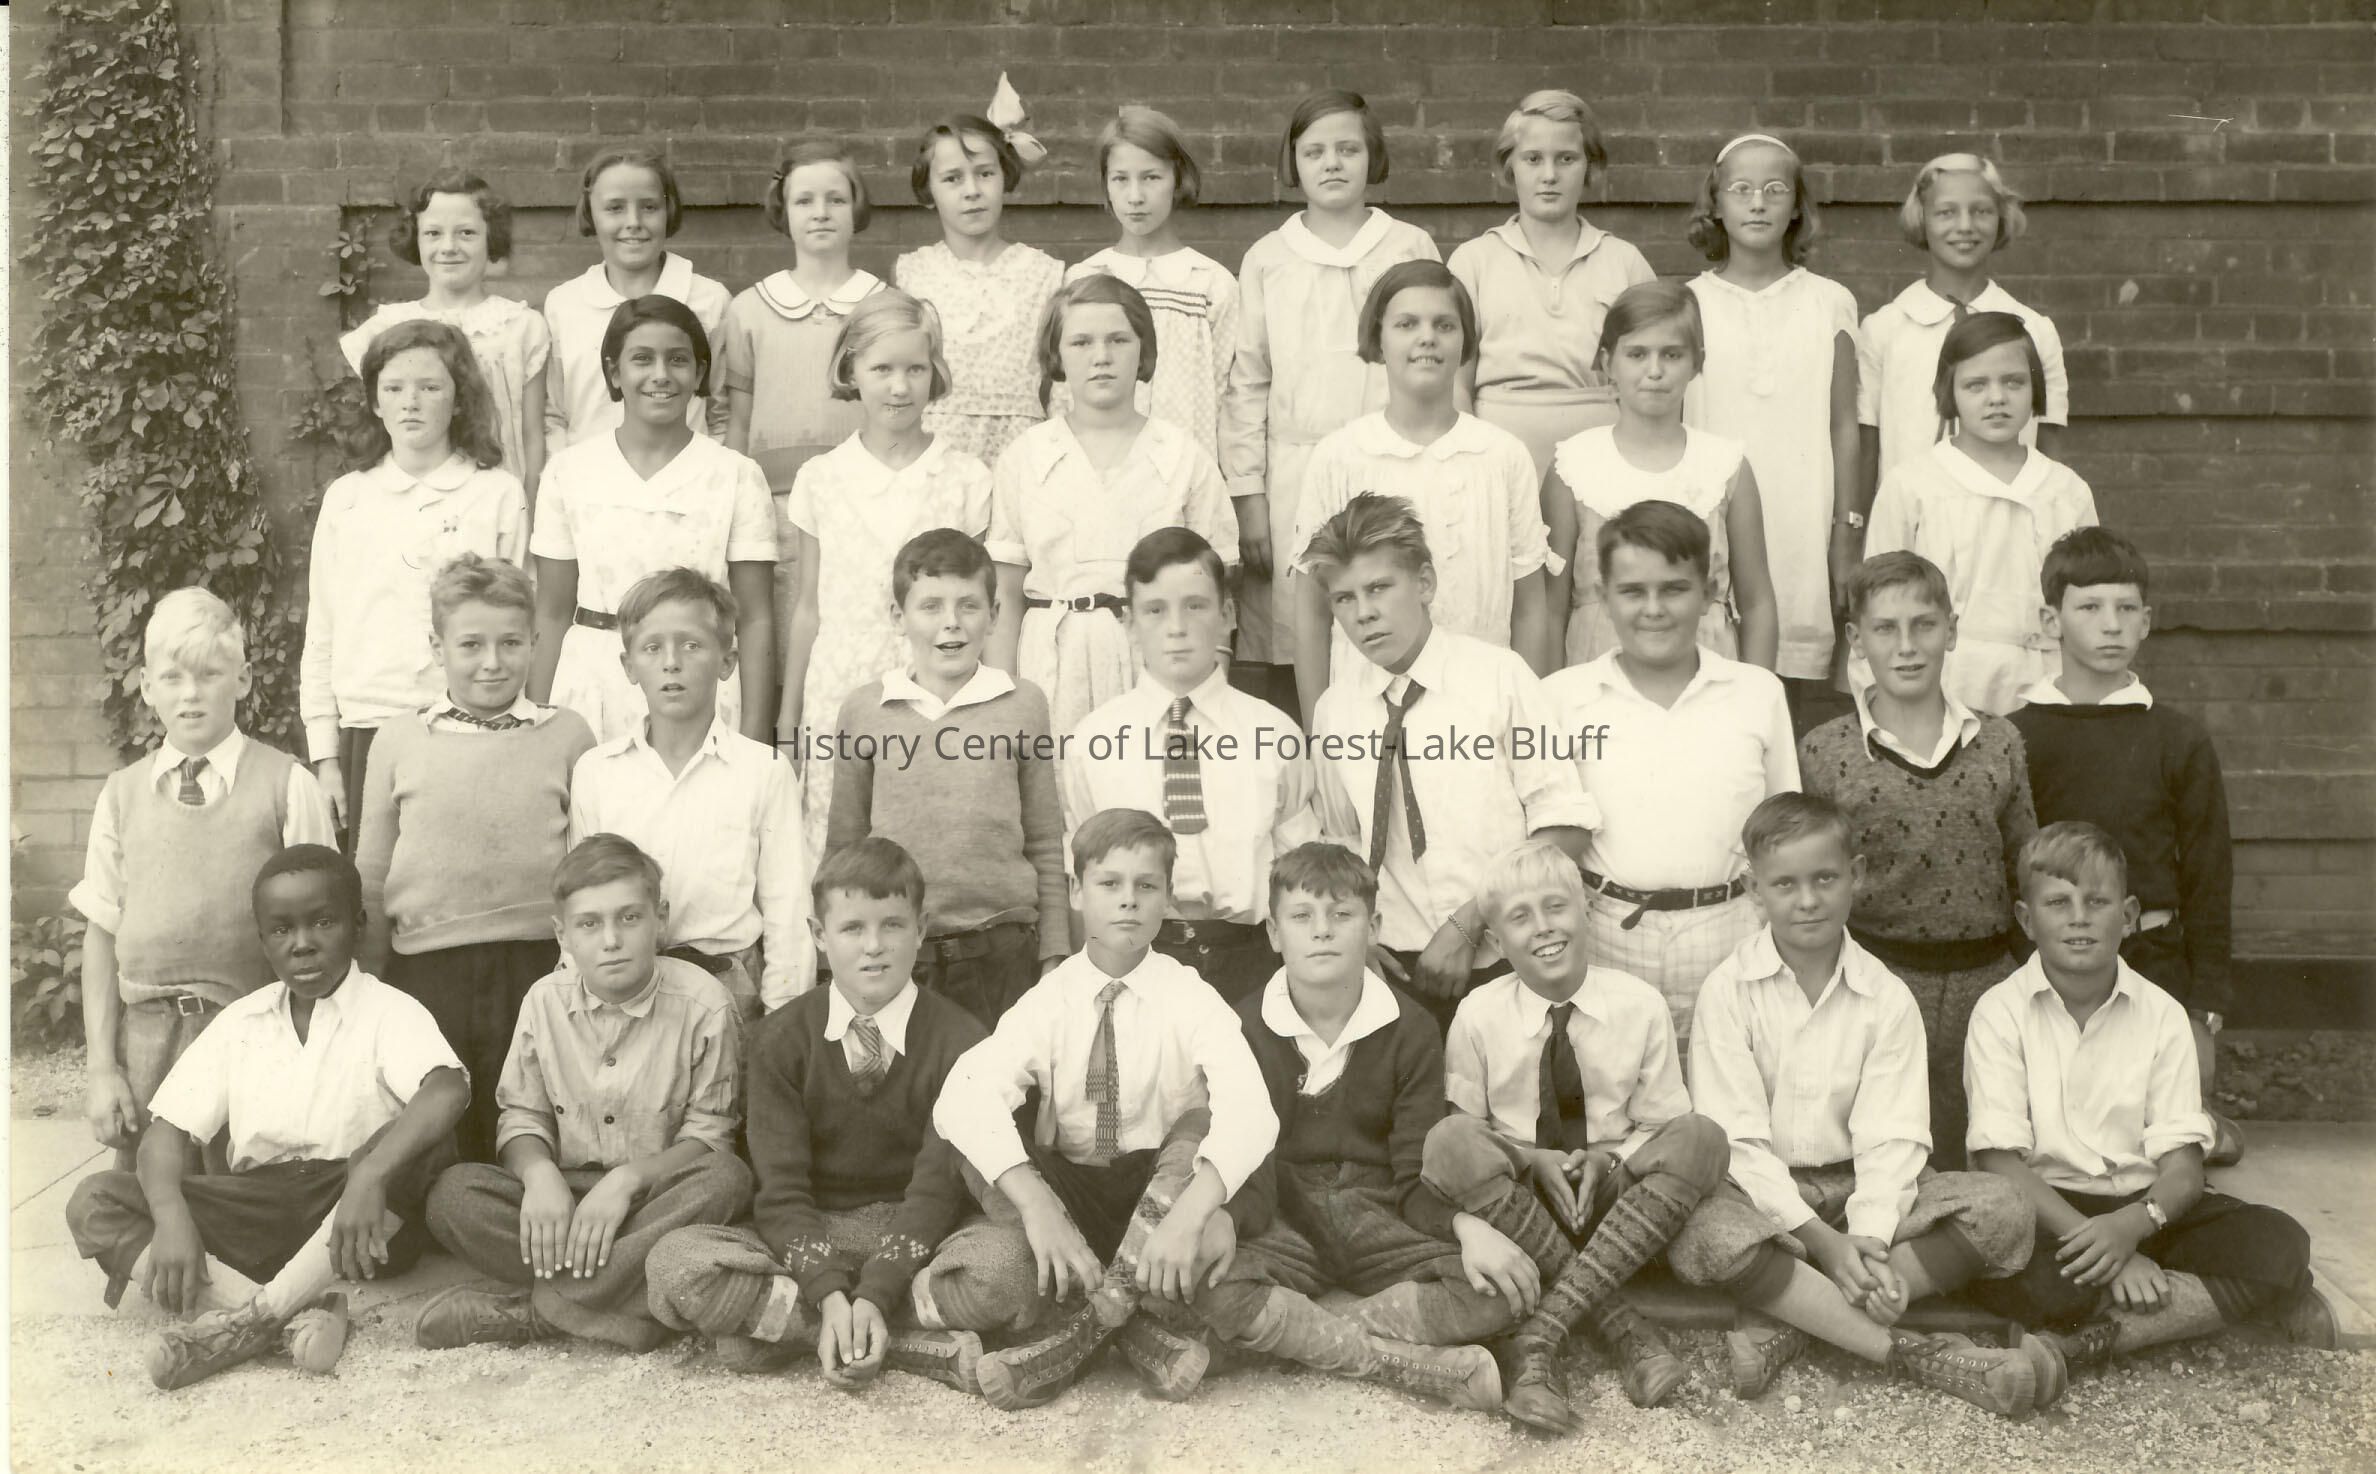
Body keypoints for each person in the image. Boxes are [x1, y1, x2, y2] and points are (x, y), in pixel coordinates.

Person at [1666, 793, 2054, 1418]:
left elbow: (1893, 1138)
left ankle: (1803, 1317)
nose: (1808, 899)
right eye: (1785, 884)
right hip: (1765, 1202)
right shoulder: (1728, 991)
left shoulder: (1886, 996)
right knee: (1700, 1229)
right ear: (1754, 890)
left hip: (1863, 1192)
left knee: (2004, 1207)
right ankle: (1912, 1352)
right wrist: (1824, 1243)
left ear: (1858, 875)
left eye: (1825, 878)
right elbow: (1737, 1143)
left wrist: (1866, 1240)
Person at [914, 809, 1280, 1410]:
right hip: (1072, 1196)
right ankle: (1131, 1324)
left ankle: (1081, 1332)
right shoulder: (1049, 998)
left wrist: (1191, 1216)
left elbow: (1252, 1110)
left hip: (1160, 1198)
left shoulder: (1192, 997)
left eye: (1146, 885)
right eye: (1110, 883)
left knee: (1201, 1122)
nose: (1128, 900)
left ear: (1167, 896)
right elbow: (965, 1095)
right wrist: (1039, 1208)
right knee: (973, 1141)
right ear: (1078, 891)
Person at [65, 845, 467, 1389]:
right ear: (262, 941)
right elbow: (168, 1131)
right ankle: (286, 1312)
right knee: (95, 1199)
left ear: (358, 926)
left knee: (424, 1141)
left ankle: (242, 1324)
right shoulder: (242, 1021)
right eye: (281, 929)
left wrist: (370, 1175)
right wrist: (171, 1214)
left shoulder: (389, 1010)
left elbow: (447, 1089)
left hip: (357, 1215)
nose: (302, 943)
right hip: (257, 1209)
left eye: (322, 922)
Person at [1964, 823, 2336, 1375]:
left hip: (2147, 1208)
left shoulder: (2163, 1015)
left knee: (2280, 1242)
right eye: (2058, 903)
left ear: (2129, 914)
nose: (2079, 918)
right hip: (2048, 1212)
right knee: (2006, 1274)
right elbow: (1999, 1162)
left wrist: (2131, 1229)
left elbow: (2183, 1168)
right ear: (2025, 918)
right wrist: (2106, 1253)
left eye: (2097, 901)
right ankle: (2193, 1305)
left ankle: (2090, 1336)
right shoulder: (1999, 1013)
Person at [645, 838, 996, 1391]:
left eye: (892, 925)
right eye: (852, 928)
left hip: (919, 1230)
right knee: (676, 1262)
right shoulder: (780, 1039)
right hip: (813, 1227)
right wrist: (829, 1293)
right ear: (818, 935)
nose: (873, 946)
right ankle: (879, 1336)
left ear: (921, 929)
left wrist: (876, 1290)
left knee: (1006, 1267)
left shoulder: (962, 1040)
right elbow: (781, 1189)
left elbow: (936, 1190)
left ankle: (797, 1329)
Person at [1185, 840, 1515, 1412]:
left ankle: (1301, 1330)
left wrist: (1465, 1229)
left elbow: (1415, 1177)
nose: (1322, 931)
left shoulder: (1411, 1028)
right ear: (1273, 933)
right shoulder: (1243, 1026)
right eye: (1302, 916)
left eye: (1342, 914)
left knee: (1498, 1290)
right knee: (1204, 1276)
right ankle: (1399, 1362)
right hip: (1284, 1213)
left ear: (1373, 926)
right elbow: (1249, 1163)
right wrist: (1226, 1219)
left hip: (1378, 1213)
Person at [1420, 841, 1728, 1430]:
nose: (1543, 927)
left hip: (1620, 1208)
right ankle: (1623, 1327)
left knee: (1702, 1137)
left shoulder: (1639, 1004)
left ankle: (1537, 1337)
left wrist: (1610, 1162)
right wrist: (1530, 1159)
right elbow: (1468, 1134)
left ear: (1585, 909)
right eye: (1520, 917)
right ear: (1495, 941)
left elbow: (1660, 1124)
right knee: (1448, 1140)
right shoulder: (1478, 1014)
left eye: (1555, 906)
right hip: (1519, 1207)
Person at [414, 835, 754, 1352]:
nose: (611, 940)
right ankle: (636, 1296)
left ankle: (542, 1313)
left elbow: (711, 1137)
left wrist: (627, 1181)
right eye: (589, 924)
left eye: (629, 918)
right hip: (566, 1204)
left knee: (726, 1181)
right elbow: (521, 1117)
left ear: (660, 918)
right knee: (452, 1196)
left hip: (654, 1201)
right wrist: (539, 1175)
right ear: (563, 935)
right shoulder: (543, 1002)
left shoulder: (705, 1004)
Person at [1303, 493, 1595, 1034]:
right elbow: (1340, 840)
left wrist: (1468, 925)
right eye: (1344, 599)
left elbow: (1564, 825)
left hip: (1505, 954)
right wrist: (1357, 938)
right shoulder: (1335, 709)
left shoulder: (1499, 678)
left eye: (1379, 588)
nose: (1363, 613)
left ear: (1425, 583)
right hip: (1390, 969)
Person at [76, 591, 336, 1172]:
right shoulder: (120, 795)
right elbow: (101, 933)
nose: (190, 694)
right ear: (147, 687)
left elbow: (327, 931)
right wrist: (102, 1070)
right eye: (172, 678)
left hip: (250, 1034)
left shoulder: (286, 785)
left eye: (209, 675)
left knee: (241, 1200)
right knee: (145, 1198)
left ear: (242, 680)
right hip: (146, 1040)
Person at [355, 554, 597, 1161]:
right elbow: (372, 874)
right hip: (425, 968)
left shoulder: (567, 734)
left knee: (528, 1119)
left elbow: (587, 864)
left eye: (510, 643)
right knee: (440, 1129)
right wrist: (369, 981)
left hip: (537, 965)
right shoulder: (399, 739)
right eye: (471, 645)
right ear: (437, 648)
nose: (492, 661)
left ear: (535, 643)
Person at [1801, 553, 2037, 1168]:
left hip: (1987, 983)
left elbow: (2026, 868)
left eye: (1924, 625)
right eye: (1886, 629)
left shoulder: (1999, 741)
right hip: (1875, 980)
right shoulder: (1824, 752)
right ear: (1857, 640)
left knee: (1982, 1154)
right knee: (1883, 1155)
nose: (1906, 647)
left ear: (1951, 630)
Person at [2009, 527, 2238, 1156]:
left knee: (2160, 1142)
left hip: (2154, 960)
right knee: (2059, 1139)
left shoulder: (2177, 739)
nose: (2111, 625)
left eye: (2126, 608)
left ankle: (2197, 1124)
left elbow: (2209, 872)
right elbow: (2007, 868)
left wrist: (2204, 1005)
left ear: (2146, 621)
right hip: (2050, 968)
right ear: (2051, 621)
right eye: (2090, 607)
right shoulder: (2014, 737)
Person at [1542, 500, 1798, 1045]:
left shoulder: (1758, 693)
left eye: (1674, 589)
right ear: (1603, 595)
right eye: (1633, 591)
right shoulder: (1561, 699)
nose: (1654, 609)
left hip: (1730, 932)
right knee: (1613, 1086)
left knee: (1728, 1088)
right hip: (1605, 933)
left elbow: (1785, 833)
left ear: (1708, 592)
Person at [1222, 88, 1439, 706]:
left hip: (1397, 460)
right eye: (1314, 152)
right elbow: (1248, 380)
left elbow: (1440, 359)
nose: (1332, 163)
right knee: (1305, 626)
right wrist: (1249, 496)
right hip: (1298, 470)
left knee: (1394, 612)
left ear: (1373, 156)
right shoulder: (1268, 258)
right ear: (1293, 162)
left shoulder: (1409, 246)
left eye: (1348, 149)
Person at [778, 291, 992, 861]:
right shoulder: (821, 478)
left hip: (935, 689)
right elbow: (808, 609)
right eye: (882, 369)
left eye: (915, 369)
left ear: (934, 371)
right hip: (839, 690)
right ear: (851, 369)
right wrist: (789, 719)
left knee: (929, 838)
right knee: (840, 845)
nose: (900, 387)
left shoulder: (966, 478)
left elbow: (975, 611)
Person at [1289, 260, 1552, 721]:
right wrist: (1320, 732)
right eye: (1407, 324)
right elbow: (1312, 611)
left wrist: (1524, 721)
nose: (1427, 337)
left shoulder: (1502, 455)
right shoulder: (1340, 456)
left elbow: (1530, 610)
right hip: (1366, 713)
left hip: (1481, 711)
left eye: (1444, 325)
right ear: (1379, 339)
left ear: (1465, 341)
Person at [1063, 528, 1315, 1005]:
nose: (1176, 628)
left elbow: (1302, 868)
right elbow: (1080, 874)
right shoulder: (1092, 741)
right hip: (1138, 960)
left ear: (1228, 615)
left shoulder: (1273, 733)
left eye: (1195, 606)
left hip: (1252, 962)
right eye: (1155, 610)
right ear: (1129, 623)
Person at [827, 529, 1069, 1026]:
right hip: (898, 956)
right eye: (930, 607)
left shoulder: (1023, 704)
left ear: (994, 614)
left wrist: (1054, 953)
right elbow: (844, 846)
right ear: (898, 617)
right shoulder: (865, 710)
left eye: (968, 606)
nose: (951, 623)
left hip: (1004, 952)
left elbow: (1046, 840)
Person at [985, 273, 1240, 736]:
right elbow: (1005, 592)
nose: (1101, 356)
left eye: (1118, 340)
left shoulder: (1182, 456)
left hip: (1158, 664)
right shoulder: (1027, 457)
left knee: (1155, 775)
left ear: (1143, 351)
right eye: (1081, 342)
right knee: (1060, 777)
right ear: (1057, 354)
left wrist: (1207, 693)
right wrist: (1004, 705)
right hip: (1053, 665)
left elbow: (1218, 588)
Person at [302, 318, 529, 839]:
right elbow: (323, 630)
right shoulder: (348, 499)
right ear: (374, 401)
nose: (411, 403)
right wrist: (325, 757)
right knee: (374, 875)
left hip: (471, 724)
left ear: (459, 399)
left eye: (429, 387)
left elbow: (518, 625)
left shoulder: (496, 494)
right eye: (394, 389)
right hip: (369, 725)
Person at [529, 297, 779, 744]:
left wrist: (756, 736)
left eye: (678, 360)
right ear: (614, 372)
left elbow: (756, 617)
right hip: (593, 684)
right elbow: (551, 612)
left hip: (699, 681)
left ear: (699, 374)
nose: (661, 374)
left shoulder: (736, 474)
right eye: (642, 359)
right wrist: (535, 726)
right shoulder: (569, 471)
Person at [570, 568, 813, 1017]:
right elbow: (581, 901)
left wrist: (783, 1019)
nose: (671, 662)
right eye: (652, 648)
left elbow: (789, 910)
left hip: (731, 985)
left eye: (691, 645)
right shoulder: (597, 773)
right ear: (628, 666)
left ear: (727, 661)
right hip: (625, 989)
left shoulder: (764, 771)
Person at [1681, 134, 1863, 719]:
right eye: (1741, 189)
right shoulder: (1687, 304)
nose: (1757, 202)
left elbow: (1845, 425)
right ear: (1715, 204)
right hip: (1713, 516)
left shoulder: (1830, 302)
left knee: (1787, 694)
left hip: (1801, 520)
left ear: (1797, 206)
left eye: (1774, 189)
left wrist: (1845, 533)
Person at [1864, 311, 2098, 715]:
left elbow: (2091, 601)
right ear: (1949, 391)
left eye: (2014, 382)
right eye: (1976, 385)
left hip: (2049, 684)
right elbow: (1879, 603)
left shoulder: (2066, 491)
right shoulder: (1914, 485)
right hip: (1947, 685)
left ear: (2035, 388)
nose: (1997, 398)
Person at [1542, 280, 1779, 671]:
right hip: (1597, 666)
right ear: (1607, 363)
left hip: (1705, 668)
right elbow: (1550, 609)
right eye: (1637, 354)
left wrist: (1759, 691)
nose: (1654, 371)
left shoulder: (1724, 465)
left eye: (1671, 354)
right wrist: (1549, 696)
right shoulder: (1572, 466)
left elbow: (1757, 602)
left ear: (1697, 363)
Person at [721, 139, 885, 663]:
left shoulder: (883, 306)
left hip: (863, 502)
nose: (821, 212)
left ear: (856, 207)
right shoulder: (749, 310)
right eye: (804, 200)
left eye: (836, 199)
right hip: (774, 508)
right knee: (779, 640)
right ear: (783, 210)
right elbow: (737, 418)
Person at [1448, 88, 1654, 477]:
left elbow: (1652, 380)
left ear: (1590, 167)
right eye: (1532, 159)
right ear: (1509, 167)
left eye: (1566, 159)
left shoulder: (1625, 262)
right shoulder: (1473, 261)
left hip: (1605, 463)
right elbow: (1455, 384)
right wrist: (1472, 465)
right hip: (1498, 461)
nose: (1549, 175)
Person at [1852, 154, 2068, 500]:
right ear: (1921, 218)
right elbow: (1867, 448)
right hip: (1912, 522)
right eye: (1946, 212)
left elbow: (2049, 452)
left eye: (1981, 211)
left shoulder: (2035, 330)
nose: (1965, 226)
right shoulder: (1885, 329)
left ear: (2001, 218)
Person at [340, 170, 549, 494]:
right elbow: (377, 430)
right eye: (433, 233)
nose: (448, 247)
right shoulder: (385, 328)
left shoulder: (520, 326)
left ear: (491, 238)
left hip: (497, 498)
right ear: (416, 238)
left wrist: (531, 509)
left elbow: (533, 435)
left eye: (466, 233)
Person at [893, 97, 1064, 467]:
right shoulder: (913, 273)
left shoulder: (1044, 274)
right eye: (952, 178)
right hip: (934, 451)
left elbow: (1064, 384)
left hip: (1022, 453)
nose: (971, 190)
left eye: (985, 174)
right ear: (929, 190)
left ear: (1005, 177)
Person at [1064, 107, 1238, 457]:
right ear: (1105, 185)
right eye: (1120, 179)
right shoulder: (1084, 279)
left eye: (1151, 177)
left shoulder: (1209, 284)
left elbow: (1227, 394)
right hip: (1099, 465)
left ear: (1178, 180)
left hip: (1184, 467)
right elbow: (1065, 389)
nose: (1135, 196)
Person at [542, 146, 729, 447]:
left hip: (687, 473)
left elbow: (722, 414)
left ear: (668, 211)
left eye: (649, 207)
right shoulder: (563, 304)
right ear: (591, 213)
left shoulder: (709, 299)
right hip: (589, 472)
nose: (634, 222)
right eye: (615, 208)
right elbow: (554, 416)